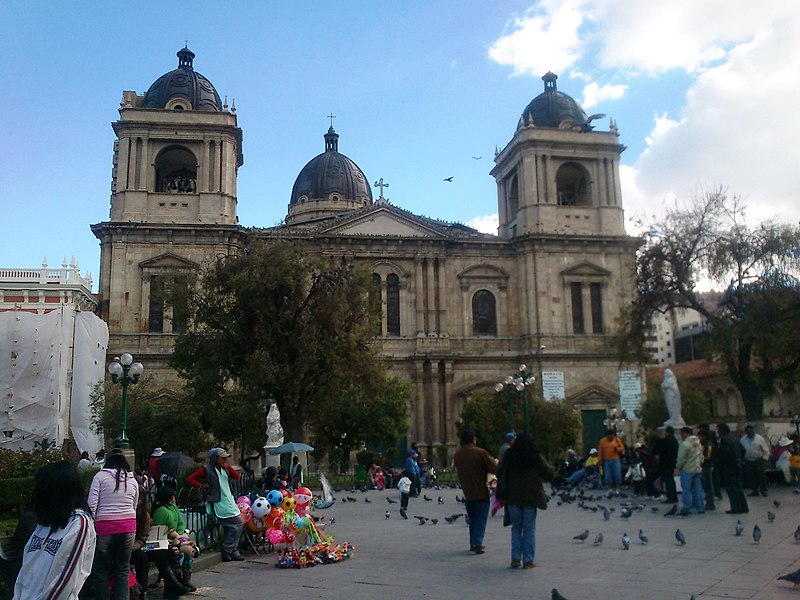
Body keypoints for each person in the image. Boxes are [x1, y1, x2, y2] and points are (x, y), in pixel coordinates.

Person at [13, 461, 96, 600]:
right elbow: (25, 573)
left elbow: (63, 581)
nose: (36, 493)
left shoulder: (79, 524)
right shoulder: (44, 524)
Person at [496, 432, 554, 569]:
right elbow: (549, 473)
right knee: (529, 528)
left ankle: (515, 558)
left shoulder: (510, 456)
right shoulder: (534, 456)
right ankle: (528, 560)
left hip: (513, 498)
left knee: (516, 528)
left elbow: (499, 472)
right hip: (530, 497)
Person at [88, 452, 139, 600]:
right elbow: (134, 505)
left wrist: (92, 524)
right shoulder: (133, 481)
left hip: (105, 528)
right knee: (123, 569)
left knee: (101, 570)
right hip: (128, 527)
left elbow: (92, 505)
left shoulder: (99, 477)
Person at [129, 485, 190, 600]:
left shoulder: (143, 514)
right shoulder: (129, 512)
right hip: (133, 548)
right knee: (143, 558)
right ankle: (143, 592)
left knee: (165, 552)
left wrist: (180, 535)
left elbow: (145, 536)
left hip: (142, 544)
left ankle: (173, 588)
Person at [186, 447, 244, 561]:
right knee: (238, 524)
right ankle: (228, 548)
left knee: (231, 527)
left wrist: (228, 467)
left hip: (228, 500)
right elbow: (190, 479)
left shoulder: (225, 469)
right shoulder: (206, 469)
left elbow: (237, 477)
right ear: (216, 458)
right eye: (222, 458)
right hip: (219, 502)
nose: (225, 460)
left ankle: (232, 550)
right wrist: (202, 486)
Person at [453, 428, 497, 555]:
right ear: (473, 439)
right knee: (481, 518)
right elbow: (493, 468)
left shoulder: (458, 455)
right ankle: (477, 543)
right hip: (481, 491)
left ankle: (473, 541)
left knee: (472, 519)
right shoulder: (480, 453)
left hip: (467, 491)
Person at [152, 487, 196, 592]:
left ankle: (185, 579)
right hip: (167, 540)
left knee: (190, 549)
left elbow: (180, 522)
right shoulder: (160, 511)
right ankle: (177, 579)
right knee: (179, 551)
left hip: (178, 537)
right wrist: (174, 536)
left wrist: (181, 535)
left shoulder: (173, 508)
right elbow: (158, 529)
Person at [716, 422, 749, 514]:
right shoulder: (734, 438)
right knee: (738, 487)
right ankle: (744, 507)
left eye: (719, 431)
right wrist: (739, 459)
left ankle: (736, 508)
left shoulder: (725, 440)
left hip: (729, 467)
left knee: (731, 488)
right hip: (738, 465)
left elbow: (726, 454)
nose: (718, 433)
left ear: (723, 431)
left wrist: (721, 462)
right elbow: (743, 450)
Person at [675, 426, 704, 516]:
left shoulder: (685, 444)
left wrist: (677, 467)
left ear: (686, 434)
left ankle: (686, 507)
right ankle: (700, 507)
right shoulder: (698, 443)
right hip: (698, 469)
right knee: (698, 489)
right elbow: (701, 456)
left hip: (687, 469)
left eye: (681, 434)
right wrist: (700, 464)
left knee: (686, 490)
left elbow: (682, 458)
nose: (681, 436)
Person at [740, 424, 770, 497]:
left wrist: (765, 459)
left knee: (761, 476)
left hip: (758, 460)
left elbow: (766, 450)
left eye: (751, 431)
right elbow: (740, 450)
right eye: (748, 432)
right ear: (746, 432)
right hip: (748, 461)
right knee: (751, 477)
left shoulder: (759, 439)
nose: (750, 433)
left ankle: (764, 490)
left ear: (753, 431)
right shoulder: (743, 440)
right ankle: (754, 491)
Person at [653, 426, 679, 503]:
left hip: (665, 463)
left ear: (667, 432)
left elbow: (656, 450)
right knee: (671, 480)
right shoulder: (675, 441)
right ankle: (674, 497)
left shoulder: (666, 440)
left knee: (668, 481)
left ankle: (670, 497)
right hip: (672, 463)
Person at [697, 429, 716, 511]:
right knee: (706, 485)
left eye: (700, 436)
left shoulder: (709, 445)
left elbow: (708, 456)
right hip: (705, 466)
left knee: (708, 485)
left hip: (707, 467)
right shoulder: (704, 444)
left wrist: (699, 458)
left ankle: (710, 503)